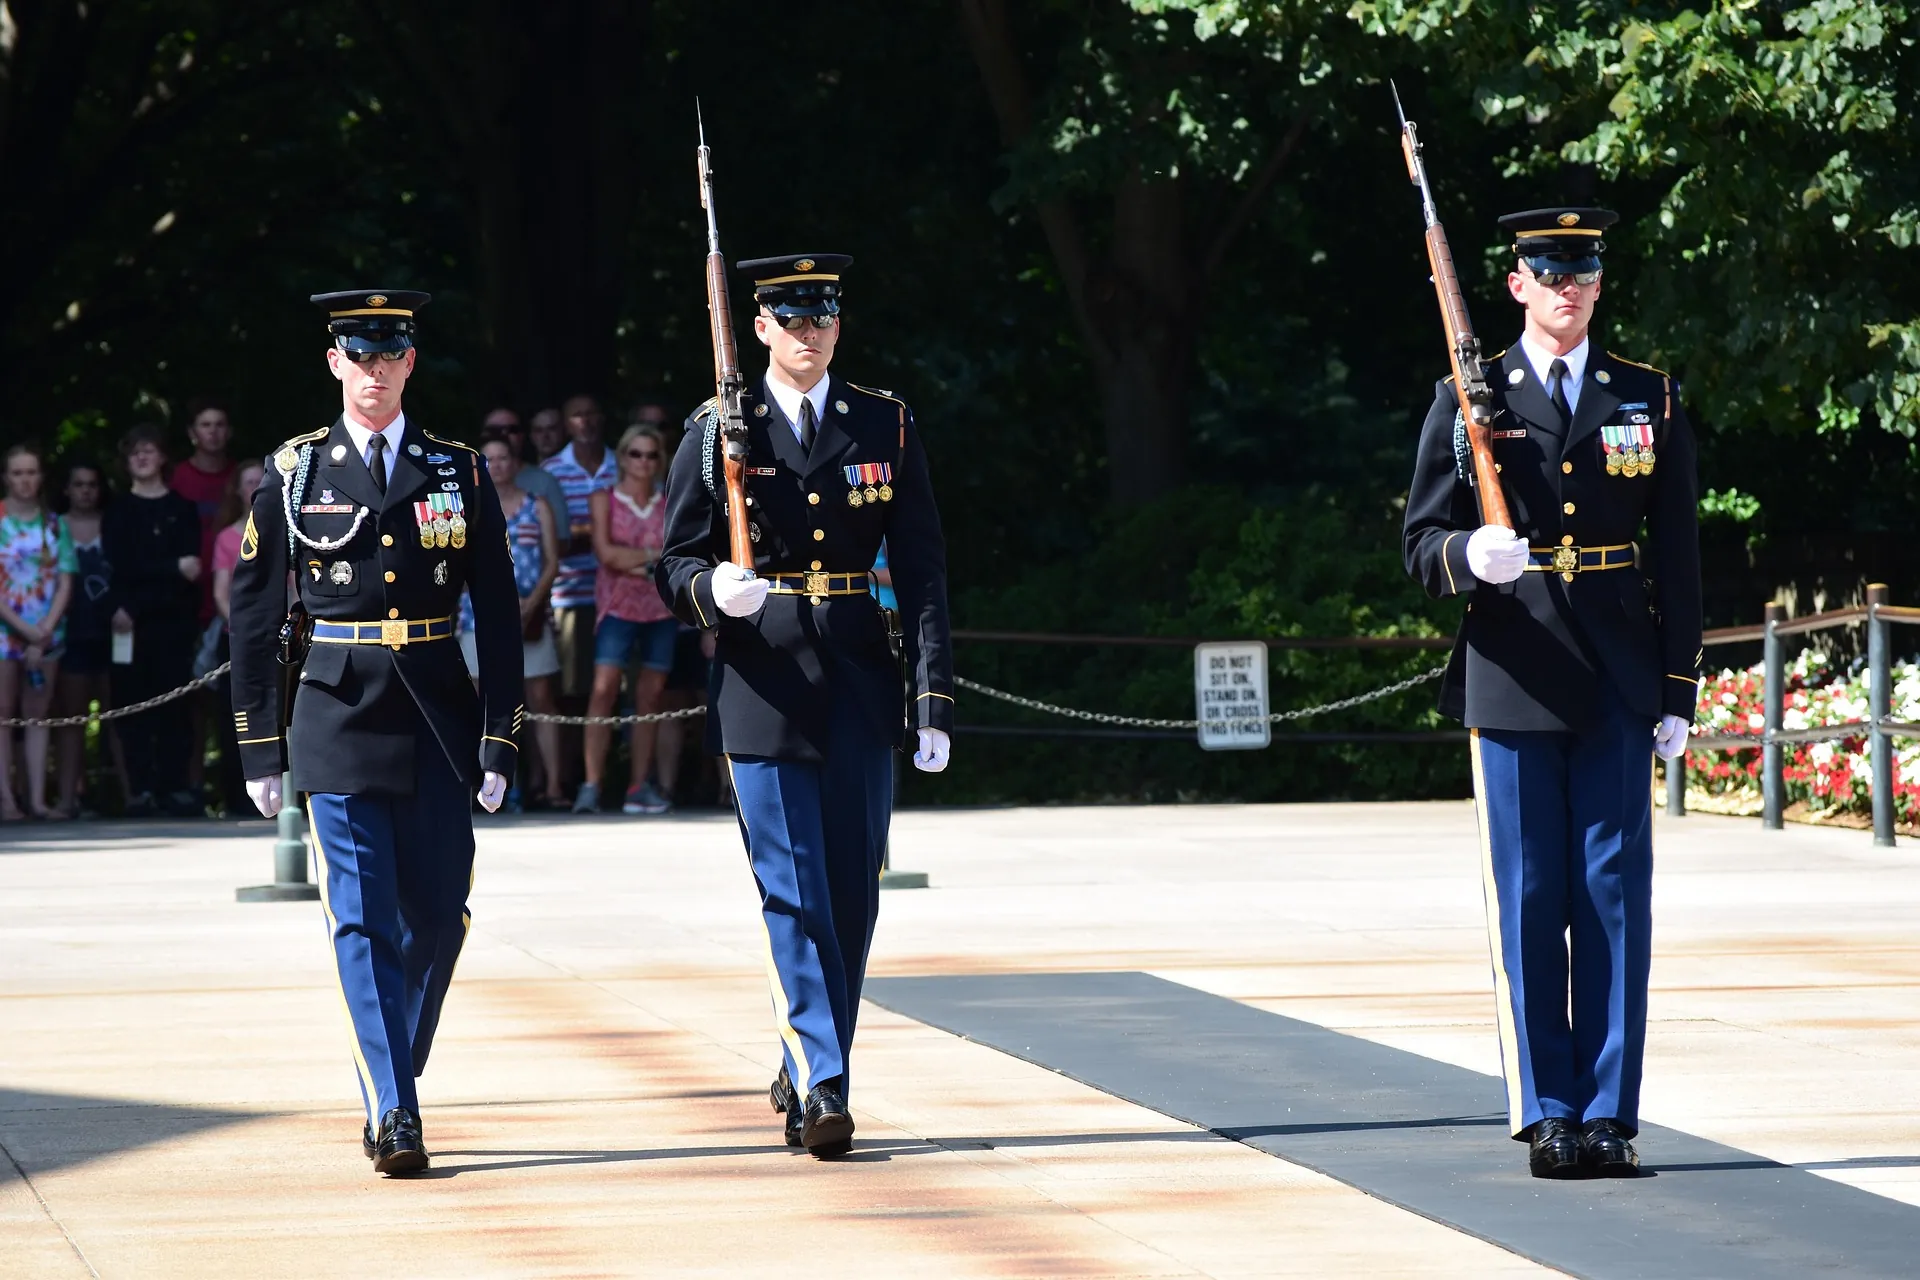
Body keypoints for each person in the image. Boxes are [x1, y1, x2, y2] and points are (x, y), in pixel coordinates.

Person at [1403, 207, 1701, 1180]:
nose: (1566, 287)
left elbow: (1680, 557)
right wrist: (1465, 555)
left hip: (1618, 671)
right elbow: (1420, 539)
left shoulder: (1645, 396)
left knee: (1614, 897)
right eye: (1548, 269)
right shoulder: (1469, 394)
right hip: (1516, 665)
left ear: (1599, 284)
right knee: (1531, 898)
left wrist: (1678, 687)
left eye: (1581, 271)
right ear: (1516, 283)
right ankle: (1547, 1107)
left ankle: (1610, 1109)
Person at [658, 253, 953, 1157]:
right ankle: (826, 1082)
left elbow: (926, 571)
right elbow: (671, 563)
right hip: (762, 680)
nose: (808, 331)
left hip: (860, 680)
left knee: (852, 897)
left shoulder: (885, 424)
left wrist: (931, 697)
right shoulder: (718, 432)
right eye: (789, 316)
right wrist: (715, 591)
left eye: (821, 313)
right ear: (758, 328)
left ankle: (802, 1052)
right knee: (792, 894)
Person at [227, 288, 521, 1176]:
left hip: (435, 709)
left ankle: (392, 1059)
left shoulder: (456, 471)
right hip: (337, 710)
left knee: (437, 915)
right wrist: (258, 745)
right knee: (358, 918)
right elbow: (249, 618)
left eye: (391, 354)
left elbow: (500, 614)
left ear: (411, 363)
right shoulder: (293, 473)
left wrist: (500, 735)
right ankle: (393, 1107)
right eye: (360, 354)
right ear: (334, 363)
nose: (376, 371)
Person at [457, 429, 563, 810]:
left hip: (530, 616)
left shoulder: (538, 505)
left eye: (503, 458)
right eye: (489, 460)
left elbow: (552, 561)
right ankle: (473, 783)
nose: (496, 466)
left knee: (540, 699)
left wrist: (531, 604)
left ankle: (549, 785)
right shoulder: (469, 505)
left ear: (515, 463)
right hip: (473, 617)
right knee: (473, 699)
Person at [102, 424, 203, 817]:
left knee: (176, 710)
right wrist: (169, 569)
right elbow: (119, 566)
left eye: (149, 451)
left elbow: (192, 569)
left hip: (174, 626)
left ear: (163, 457)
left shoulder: (182, 509)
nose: (142, 458)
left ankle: (175, 788)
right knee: (133, 710)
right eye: (134, 452)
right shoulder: (118, 511)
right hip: (130, 625)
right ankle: (139, 789)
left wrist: (156, 575)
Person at [578, 423, 675, 815]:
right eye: (636, 453)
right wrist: (651, 557)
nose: (644, 462)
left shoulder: (668, 501)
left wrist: (638, 560)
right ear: (622, 457)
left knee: (651, 697)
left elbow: (671, 554)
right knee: (603, 691)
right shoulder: (604, 498)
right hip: (616, 607)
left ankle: (638, 785)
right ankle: (591, 785)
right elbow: (606, 554)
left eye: (651, 455)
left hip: (660, 609)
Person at [0, 443, 76, 821]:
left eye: (31, 472)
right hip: (5, 630)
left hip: (46, 631)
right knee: (3, 713)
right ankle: (6, 799)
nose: (25, 480)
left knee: (37, 715)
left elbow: (65, 579)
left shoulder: (53, 523)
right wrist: (25, 629)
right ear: (6, 478)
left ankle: (37, 799)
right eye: (17, 473)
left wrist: (43, 629)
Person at [52, 461, 126, 817]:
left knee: (121, 716)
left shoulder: (113, 525)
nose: (85, 491)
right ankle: (68, 799)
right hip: (71, 633)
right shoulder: (55, 527)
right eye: (78, 484)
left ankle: (130, 798)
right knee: (70, 720)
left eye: (92, 484)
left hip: (115, 634)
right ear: (66, 489)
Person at [209, 457, 267, 815]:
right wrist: (243, 631)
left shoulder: (285, 532)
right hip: (237, 638)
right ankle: (234, 799)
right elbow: (220, 592)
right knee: (235, 722)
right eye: (248, 482)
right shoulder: (227, 537)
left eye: (260, 481)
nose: (255, 488)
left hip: (279, 638)